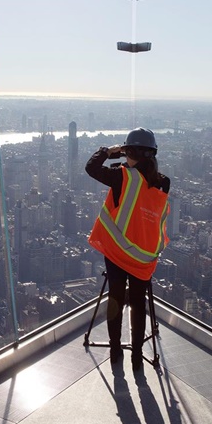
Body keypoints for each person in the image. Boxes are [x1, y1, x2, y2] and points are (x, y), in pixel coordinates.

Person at [86, 127, 171, 369]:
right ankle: (136, 355)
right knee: (137, 303)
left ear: (129, 151)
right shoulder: (164, 182)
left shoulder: (122, 177)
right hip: (145, 257)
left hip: (117, 253)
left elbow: (91, 168)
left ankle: (115, 350)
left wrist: (109, 151)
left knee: (115, 299)